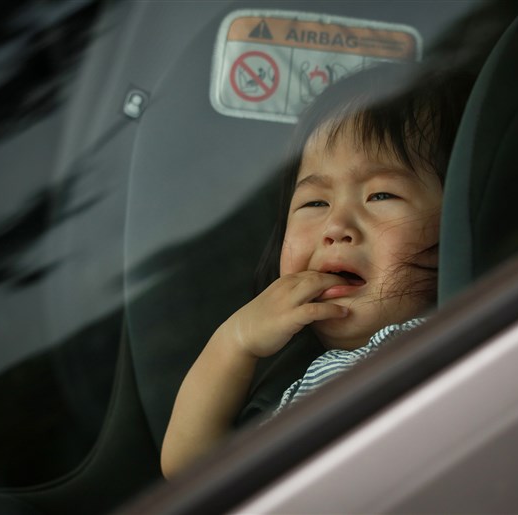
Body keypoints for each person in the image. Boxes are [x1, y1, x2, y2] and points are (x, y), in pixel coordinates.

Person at [161, 63, 472, 478]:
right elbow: (189, 474)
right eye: (315, 203)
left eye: (380, 194)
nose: (336, 228)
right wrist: (234, 342)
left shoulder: (433, 354)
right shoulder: (305, 371)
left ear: (457, 217)